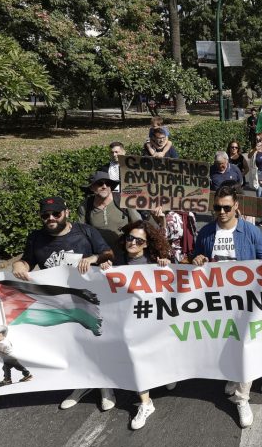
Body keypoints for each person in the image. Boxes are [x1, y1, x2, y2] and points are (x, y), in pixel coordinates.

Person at [11, 197, 114, 411]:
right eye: (45, 215)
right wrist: (18, 265)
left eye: (56, 214)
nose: (51, 218)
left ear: (66, 212)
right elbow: (28, 261)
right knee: (71, 345)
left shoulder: (85, 231)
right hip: (58, 301)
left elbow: (107, 253)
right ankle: (81, 384)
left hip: (88, 297)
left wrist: (93, 259)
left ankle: (105, 386)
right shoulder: (36, 237)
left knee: (95, 340)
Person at [192, 185, 262, 428]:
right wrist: (197, 259)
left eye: (227, 208)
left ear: (236, 207)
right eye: (217, 208)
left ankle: (242, 398)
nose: (222, 212)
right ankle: (233, 376)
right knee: (226, 343)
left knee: (245, 345)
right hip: (216, 302)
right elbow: (196, 258)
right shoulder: (206, 233)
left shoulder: (250, 232)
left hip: (246, 302)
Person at [98, 221, 173, 429]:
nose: (133, 242)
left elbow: (173, 283)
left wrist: (166, 266)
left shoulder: (154, 261)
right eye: (130, 238)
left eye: (139, 240)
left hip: (154, 319)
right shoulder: (117, 260)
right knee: (136, 358)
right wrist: (104, 269)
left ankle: (167, 374)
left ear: (146, 244)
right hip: (129, 321)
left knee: (157, 353)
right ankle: (146, 403)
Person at [76, 171, 141, 248]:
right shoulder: (86, 205)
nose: (104, 186)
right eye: (100, 183)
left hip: (123, 250)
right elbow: (81, 231)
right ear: (91, 187)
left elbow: (139, 224)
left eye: (108, 183)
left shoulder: (123, 200)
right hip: (99, 251)